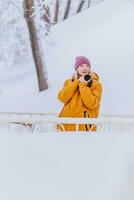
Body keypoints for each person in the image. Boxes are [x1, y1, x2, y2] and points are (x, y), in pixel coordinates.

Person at [57, 56, 102, 132]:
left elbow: (92, 103)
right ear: (77, 69)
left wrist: (83, 85)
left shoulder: (96, 84)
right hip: (66, 125)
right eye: (81, 66)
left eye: (87, 66)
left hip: (85, 127)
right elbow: (62, 98)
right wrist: (76, 83)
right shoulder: (69, 82)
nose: (85, 68)